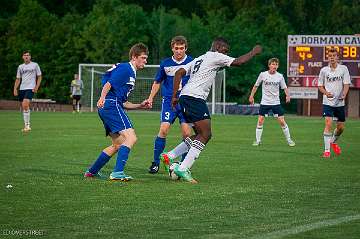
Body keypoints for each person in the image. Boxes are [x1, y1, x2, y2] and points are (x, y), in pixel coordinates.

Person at [160, 37, 262, 183]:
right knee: (206, 134)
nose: (226, 54)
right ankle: (183, 168)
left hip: (186, 97)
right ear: (218, 47)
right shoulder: (215, 56)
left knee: (200, 134)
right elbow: (239, 62)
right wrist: (253, 52)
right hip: (194, 98)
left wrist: (175, 95)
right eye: (225, 51)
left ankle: (169, 156)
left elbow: (179, 73)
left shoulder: (200, 58)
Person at [84, 43, 151, 181]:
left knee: (118, 144)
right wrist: (102, 98)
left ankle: (91, 172)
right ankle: (117, 172)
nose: (146, 61)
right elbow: (108, 84)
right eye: (143, 58)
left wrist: (140, 105)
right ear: (134, 57)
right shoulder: (127, 69)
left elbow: (124, 103)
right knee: (131, 138)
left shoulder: (130, 71)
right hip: (111, 105)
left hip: (110, 106)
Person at [147, 36, 193, 174]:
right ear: (172, 48)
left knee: (187, 134)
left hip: (186, 102)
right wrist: (150, 98)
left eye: (181, 48)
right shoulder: (165, 63)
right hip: (169, 102)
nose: (179, 51)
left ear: (186, 48)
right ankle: (155, 162)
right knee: (164, 129)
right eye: (176, 48)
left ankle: (184, 165)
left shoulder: (192, 62)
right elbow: (157, 82)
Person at [248, 58, 295, 147]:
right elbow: (256, 86)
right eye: (273, 64)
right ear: (269, 65)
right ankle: (258, 141)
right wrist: (251, 96)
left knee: (281, 121)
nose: (274, 66)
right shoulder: (263, 74)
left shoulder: (280, 76)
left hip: (275, 103)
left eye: (276, 64)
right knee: (260, 120)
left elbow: (284, 87)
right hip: (265, 102)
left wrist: (287, 95)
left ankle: (289, 140)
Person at [318, 47, 350, 158]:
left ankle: (333, 142)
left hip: (340, 103)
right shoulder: (324, 70)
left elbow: (346, 84)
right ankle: (327, 151)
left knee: (340, 128)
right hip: (327, 102)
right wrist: (326, 93)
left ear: (337, 57)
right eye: (330, 56)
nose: (332, 58)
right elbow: (320, 86)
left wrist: (344, 94)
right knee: (328, 123)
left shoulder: (343, 69)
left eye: (334, 56)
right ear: (328, 58)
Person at [13, 50, 42, 132]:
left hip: (31, 87)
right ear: (23, 57)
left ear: (30, 57)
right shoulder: (20, 67)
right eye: (25, 55)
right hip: (22, 88)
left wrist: (36, 87)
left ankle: (28, 126)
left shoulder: (35, 65)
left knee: (25, 104)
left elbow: (39, 76)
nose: (26, 56)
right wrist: (15, 88)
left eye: (28, 55)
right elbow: (18, 79)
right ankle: (26, 125)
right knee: (24, 106)